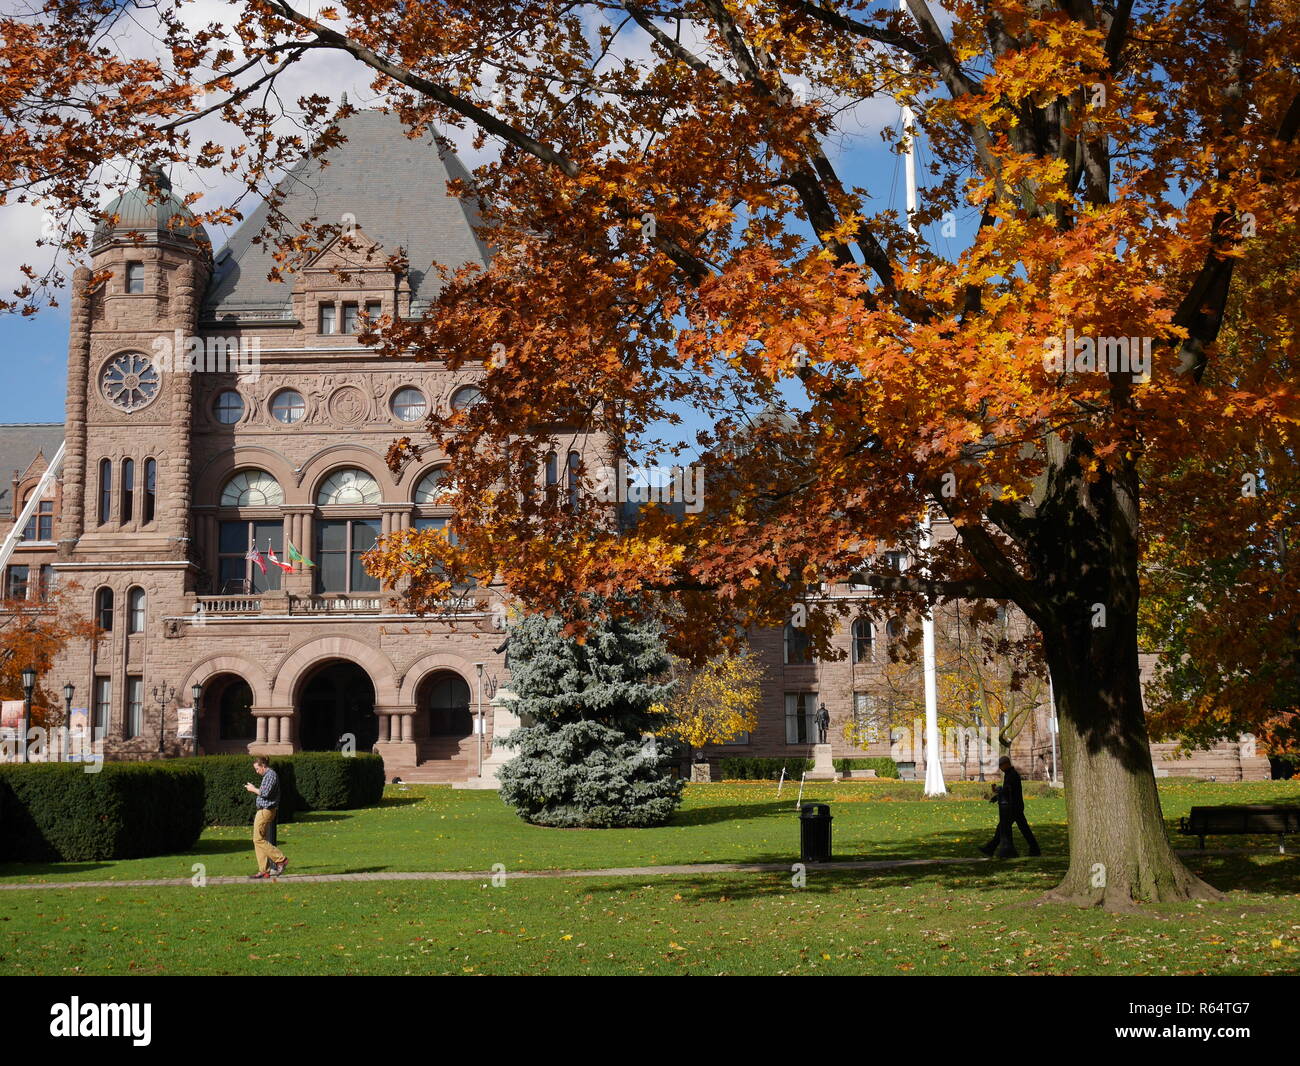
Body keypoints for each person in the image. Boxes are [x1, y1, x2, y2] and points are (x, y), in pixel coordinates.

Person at [980, 755, 1041, 858]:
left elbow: (1008, 790)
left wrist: (998, 790)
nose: (1000, 767)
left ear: (1006, 764)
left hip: (1013, 807)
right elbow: (1007, 791)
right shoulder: (1009, 774)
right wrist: (997, 797)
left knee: (1004, 828)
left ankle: (993, 849)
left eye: (1001, 765)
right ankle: (1034, 849)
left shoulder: (1012, 775)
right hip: (1014, 806)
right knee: (1017, 828)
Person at [244, 756, 288, 878]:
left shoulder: (270, 775)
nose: (256, 771)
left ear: (263, 766)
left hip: (266, 810)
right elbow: (264, 791)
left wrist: (252, 789)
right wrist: (254, 788)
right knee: (258, 839)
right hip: (263, 810)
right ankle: (264, 870)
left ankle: (281, 859)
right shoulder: (268, 776)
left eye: (257, 768)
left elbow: (265, 793)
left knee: (258, 839)